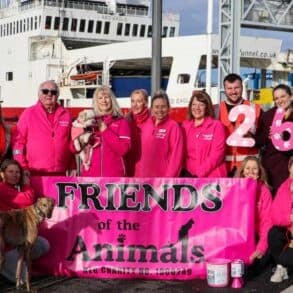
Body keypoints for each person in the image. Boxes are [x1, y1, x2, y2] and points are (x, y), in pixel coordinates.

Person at [0, 159, 50, 283]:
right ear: (2, 174)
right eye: (10, 171)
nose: (15, 175)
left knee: (43, 245)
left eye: (17, 172)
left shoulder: (17, 188)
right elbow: (26, 200)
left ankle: (16, 262)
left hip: (16, 239)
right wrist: (27, 184)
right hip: (5, 245)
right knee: (22, 279)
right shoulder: (1, 188)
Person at [12, 80, 75, 177]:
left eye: (53, 92)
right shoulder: (28, 114)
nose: (49, 94)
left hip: (60, 173)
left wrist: (72, 165)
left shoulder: (66, 114)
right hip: (34, 173)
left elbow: (71, 143)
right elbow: (18, 143)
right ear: (39, 94)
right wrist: (22, 166)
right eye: (45, 91)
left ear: (57, 95)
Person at [72, 85, 131, 176]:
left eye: (106, 97)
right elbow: (73, 148)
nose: (103, 100)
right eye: (100, 98)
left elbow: (123, 149)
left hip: (114, 177)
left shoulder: (121, 122)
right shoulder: (89, 120)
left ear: (112, 100)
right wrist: (82, 139)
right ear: (96, 101)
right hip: (90, 176)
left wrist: (105, 130)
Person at [219, 73, 261, 177]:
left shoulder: (255, 109)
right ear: (225, 89)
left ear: (242, 88)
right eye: (229, 88)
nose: (233, 91)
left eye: (237, 88)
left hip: (248, 169)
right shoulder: (216, 110)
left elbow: (263, 138)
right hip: (224, 167)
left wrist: (251, 137)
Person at [235, 156, 272, 270]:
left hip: (257, 235)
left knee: (255, 266)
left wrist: (261, 248)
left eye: (254, 168)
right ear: (242, 172)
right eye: (247, 168)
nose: (250, 171)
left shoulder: (265, 191)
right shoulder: (235, 189)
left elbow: (267, 223)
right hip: (240, 234)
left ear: (259, 172)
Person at [255, 84, 293, 195]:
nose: (280, 100)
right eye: (276, 98)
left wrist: (283, 137)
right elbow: (261, 139)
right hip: (271, 165)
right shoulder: (267, 116)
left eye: (283, 96)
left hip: (289, 164)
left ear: (290, 96)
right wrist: (249, 136)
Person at [137, 90, 183, 177]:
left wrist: (168, 179)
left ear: (169, 108)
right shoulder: (146, 125)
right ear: (151, 108)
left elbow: (176, 157)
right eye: (157, 107)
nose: (160, 110)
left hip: (163, 180)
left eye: (163, 107)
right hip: (144, 179)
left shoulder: (173, 126)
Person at [181, 90, 227, 177]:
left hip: (212, 177)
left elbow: (217, 155)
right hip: (189, 177)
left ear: (207, 107)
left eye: (201, 105)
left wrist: (198, 174)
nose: (197, 108)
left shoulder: (216, 126)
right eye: (194, 104)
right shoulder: (184, 126)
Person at [268, 156, 293, 283]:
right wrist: (290, 218)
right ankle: (281, 267)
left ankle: (286, 263)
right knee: (274, 233)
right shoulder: (283, 188)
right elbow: (275, 217)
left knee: (288, 258)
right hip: (289, 230)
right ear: (289, 168)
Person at [125, 89, 150, 176]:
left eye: (139, 101)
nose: (135, 105)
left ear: (146, 103)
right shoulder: (126, 122)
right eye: (133, 101)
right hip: (130, 170)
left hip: (147, 171)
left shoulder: (153, 121)